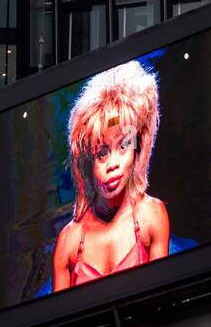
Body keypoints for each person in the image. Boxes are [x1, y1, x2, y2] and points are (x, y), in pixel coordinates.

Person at [53, 59, 169, 290]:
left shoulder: (151, 216)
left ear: (138, 149)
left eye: (124, 146)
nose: (113, 164)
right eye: (102, 153)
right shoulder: (69, 242)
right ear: (87, 162)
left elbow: (161, 303)